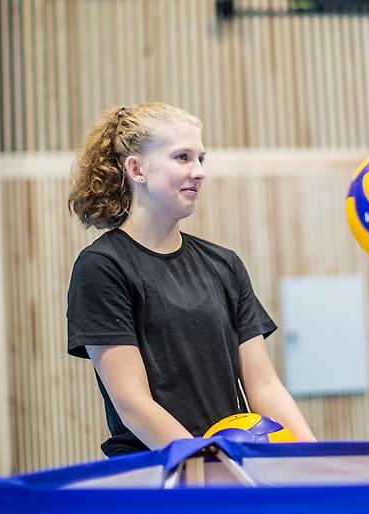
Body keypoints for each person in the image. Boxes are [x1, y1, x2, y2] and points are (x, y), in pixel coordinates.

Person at [66, 103, 316, 456]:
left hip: (230, 463)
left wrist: (314, 458)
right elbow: (133, 403)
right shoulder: (103, 267)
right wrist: (200, 463)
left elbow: (264, 384)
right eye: (182, 157)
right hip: (158, 471)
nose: (198, 171)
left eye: (201, 158)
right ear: (136, 169)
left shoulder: (224, 265)